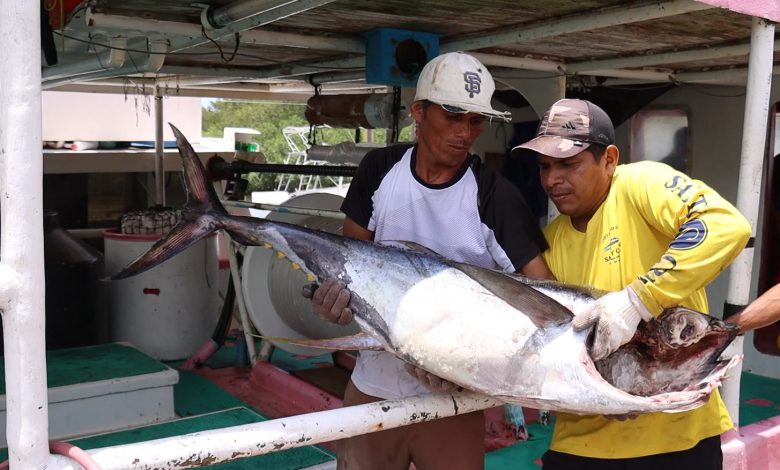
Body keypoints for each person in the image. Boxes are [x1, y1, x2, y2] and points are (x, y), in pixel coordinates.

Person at [302, 51, 555, 470]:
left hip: (453, 399)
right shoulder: (379, 169)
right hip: (373, 387)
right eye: (453, 115)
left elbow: (544, 305)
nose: (464, 133)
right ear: (418, 111)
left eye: (476, 121)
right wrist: (332, 303)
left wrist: (470, 361)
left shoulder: (496, 196)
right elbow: (349, 269)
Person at [512, 98, 751, 469]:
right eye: (544, 166)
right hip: (583, 443)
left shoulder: (640, 185)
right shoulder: (553, 239)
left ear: (609, 160)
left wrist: (638, 299)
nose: (551, 180)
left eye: (568, 164)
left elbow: (726, 225)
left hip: (679, 438)